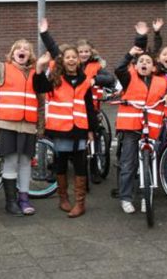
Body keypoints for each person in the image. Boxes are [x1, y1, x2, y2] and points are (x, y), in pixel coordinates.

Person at [0, 20, 42, 216]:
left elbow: (42, 101)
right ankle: (11, 202)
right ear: (12, 54)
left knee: (26, 162)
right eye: (18, 49)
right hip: (8, 125)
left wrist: (41, 126)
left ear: (30, 55)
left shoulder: (35, 73)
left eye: (26, 49)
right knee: (11, 162)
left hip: (28, 126)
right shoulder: (3, 69)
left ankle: (24, 198)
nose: (22, 51)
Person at [33, 48, 98, 218]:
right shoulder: (56, 78)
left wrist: (92, 130)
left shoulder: (85, 80)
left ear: (78, 60)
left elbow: (89, 107)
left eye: (74, 57)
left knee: (80, 165)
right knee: (60, 164)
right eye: (68, 57)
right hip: (60, 128)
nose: (71, 60)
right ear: (63, 60)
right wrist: (39, 67)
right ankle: (63, 199)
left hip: (80, 128)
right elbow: (39, 86)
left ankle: (80, 203)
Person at [114, 45, 167, 214]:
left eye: (148, 62)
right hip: (131, 129)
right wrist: (130, 55)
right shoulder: (128, 78)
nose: (144, 64)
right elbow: (119, 69)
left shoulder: (160, 81)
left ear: (153, 67)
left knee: (149, 164)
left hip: (151, 130)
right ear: (135, 66)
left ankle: (145, 197)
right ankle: (126, 197)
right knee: (129, 164)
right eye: (141, 61)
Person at [39, 18, 115, 109]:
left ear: (91, 52)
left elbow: (110, 78)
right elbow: (54, 50)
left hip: (89, 104)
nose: (84, 54)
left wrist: (94, 80)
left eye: (86, 51)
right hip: (69, 103)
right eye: (80, 52)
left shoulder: (95, 65)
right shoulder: (70, 64)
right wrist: (44, 34)